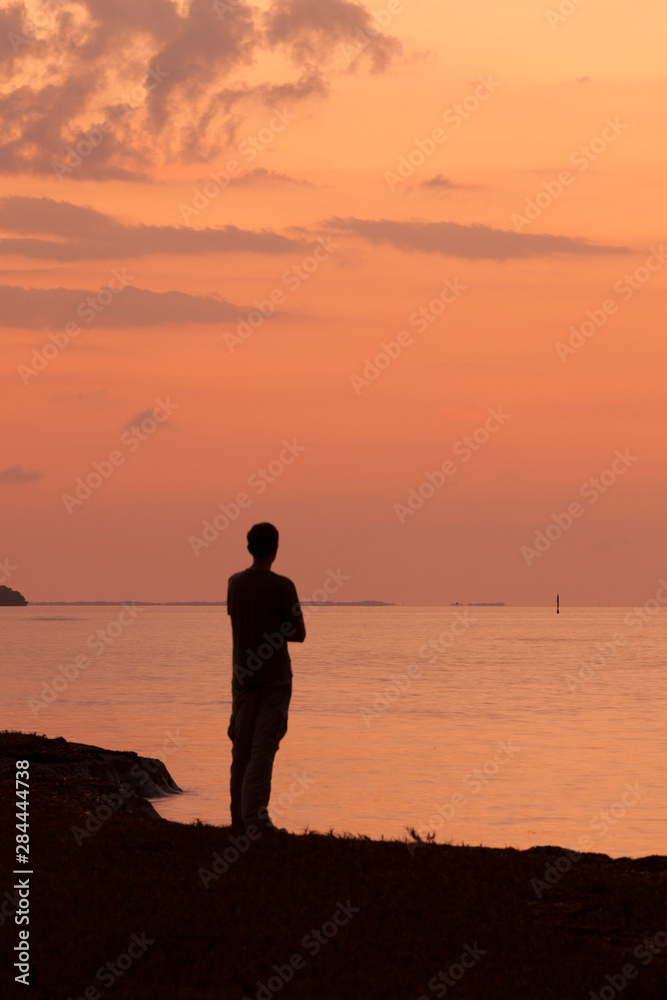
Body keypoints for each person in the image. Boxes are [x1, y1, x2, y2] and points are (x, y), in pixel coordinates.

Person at [226, 522, 306, 832]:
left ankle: (238, 818)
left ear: (249, 548)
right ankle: (256, 820)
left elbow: (240, 620)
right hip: (274, 680)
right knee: (262, 749)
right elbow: (298, 633)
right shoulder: (283, 586)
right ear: (275, 549)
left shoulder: (235, 584)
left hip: (243, 679)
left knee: (241, 749)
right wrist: (278, 626)